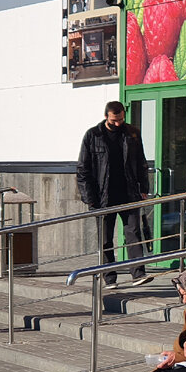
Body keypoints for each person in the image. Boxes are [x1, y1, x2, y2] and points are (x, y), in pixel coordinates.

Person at [76, 101, 154, 289]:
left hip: (128, 192)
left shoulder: (132, 133)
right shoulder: (92, 135)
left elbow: (141, 162)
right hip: (102, 197)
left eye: (121, 119)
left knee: (133, 233)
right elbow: (82, 169)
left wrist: (144, 187)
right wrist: (90, 199)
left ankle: (138, 274)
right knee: (105, 238)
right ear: (106, 117)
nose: (118, 123)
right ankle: (109, 278)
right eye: (114, 120)